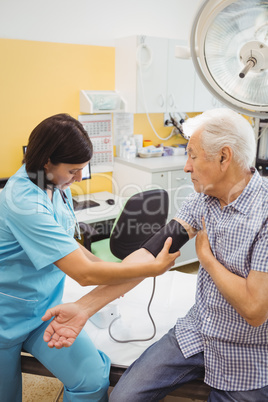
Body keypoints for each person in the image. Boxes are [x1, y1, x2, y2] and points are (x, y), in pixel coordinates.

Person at [41, 109, 268, 401]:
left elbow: (254, 309)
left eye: (193, 156)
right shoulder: (203, 200)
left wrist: (207, 260)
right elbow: (149, 255)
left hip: (246, 353)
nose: (187, 167)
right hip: (197, 332)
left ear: (224, 157)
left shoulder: (264, 215)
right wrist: (84, 308)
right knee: (122, 398)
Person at [0, 113, 180, 402]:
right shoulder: (22, 200)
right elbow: (82, 274)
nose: (79, 178)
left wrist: (111, 269)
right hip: (5, 316)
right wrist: (148, 269)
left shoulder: (55, 187)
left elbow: (68, 245)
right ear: (47, 161)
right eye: (73, 170)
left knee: (93, 377)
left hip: (45, 309)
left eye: (82, 169)